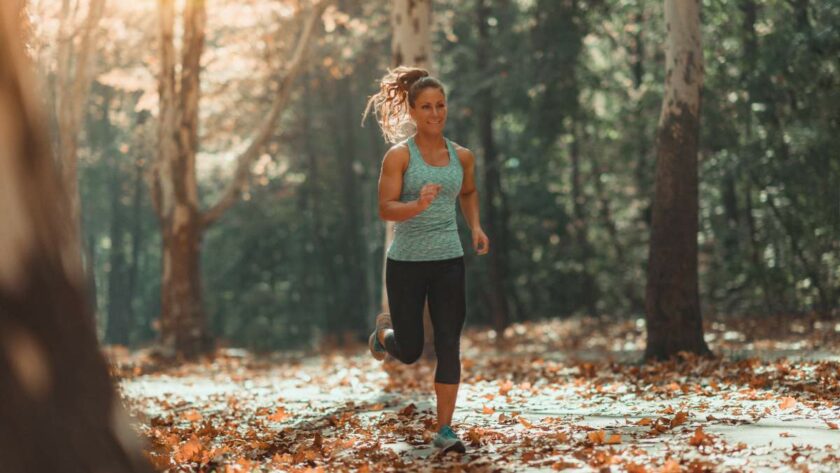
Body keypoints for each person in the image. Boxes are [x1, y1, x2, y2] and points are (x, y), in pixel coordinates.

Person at [362, 66, 489, 454]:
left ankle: (445, 429)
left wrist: (476, 228)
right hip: (406, 264)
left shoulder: (461, 156)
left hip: (449, 259)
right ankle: (384, 337)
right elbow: (385, 208)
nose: (435, 113)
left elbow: (467, 192)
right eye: (426, 107)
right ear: (413, 112)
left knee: (449, 342)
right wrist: (417, 204)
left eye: (441, 105)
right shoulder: (399, 157)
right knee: (413, 350)